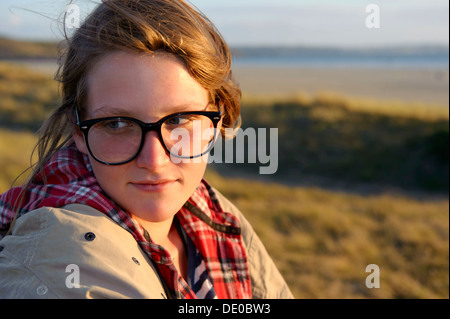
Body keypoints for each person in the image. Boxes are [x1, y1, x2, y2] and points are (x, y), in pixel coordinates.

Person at [0, 0, 293, 299]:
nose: (153, 160)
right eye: (116, 124)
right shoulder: (65, 257)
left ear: (216, 121)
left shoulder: (215, 214)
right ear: (79, 131)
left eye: (178, 119)